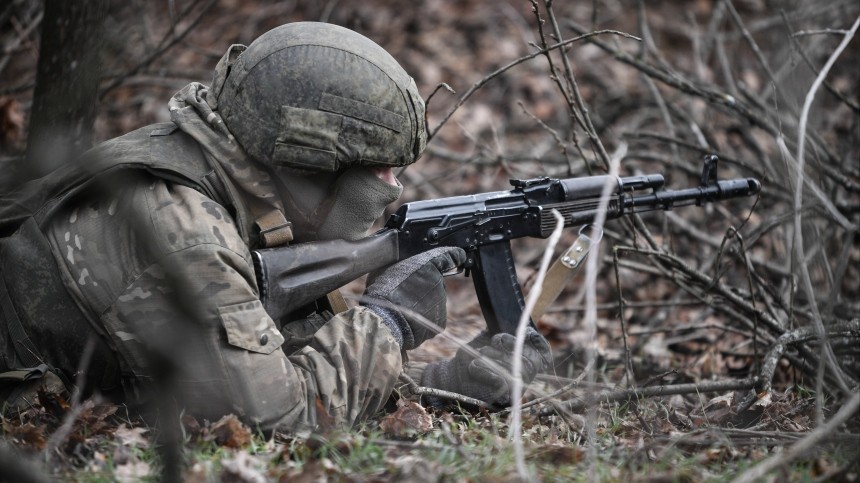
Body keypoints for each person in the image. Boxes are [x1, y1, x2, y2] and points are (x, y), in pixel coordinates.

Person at [0, 22, 550, 431]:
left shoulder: (223, 176)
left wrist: (447, 385)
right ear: (306, 161)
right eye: (377, 168)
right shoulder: (183, 229)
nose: (391, 185)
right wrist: (388, 322)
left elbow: (268, 359)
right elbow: (274, 420)